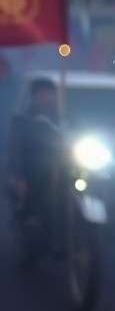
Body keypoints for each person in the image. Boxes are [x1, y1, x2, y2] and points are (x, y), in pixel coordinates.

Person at [7, 78, 62, 228]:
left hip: (63, 171)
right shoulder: (23, 119)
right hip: (33, 173)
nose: (48, 98)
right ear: (35, 96)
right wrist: (18, 177)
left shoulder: (65, 117)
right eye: (43, 94)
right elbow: (15, 149)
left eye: (50, 94)